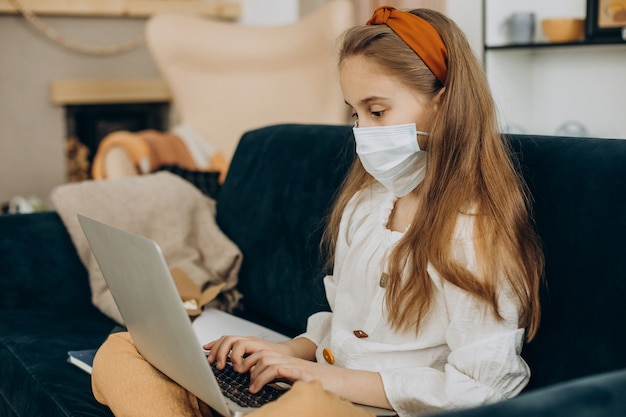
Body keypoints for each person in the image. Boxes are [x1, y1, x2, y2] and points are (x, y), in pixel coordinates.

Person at [91, 6, 543, 417]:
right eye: (355, 114)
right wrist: (287, 352)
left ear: (443, 105)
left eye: (378, 111)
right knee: (126, 350)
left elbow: (486, 387)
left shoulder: (474, 233)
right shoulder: (367, 205)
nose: (362, 133)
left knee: (305, 405)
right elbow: (342, 326)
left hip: (368, 406)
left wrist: (325, 380)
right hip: (318, 388)